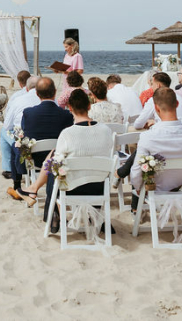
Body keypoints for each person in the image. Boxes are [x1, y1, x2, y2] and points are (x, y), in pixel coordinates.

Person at [20, 90, 114, 233]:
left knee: (53, 165)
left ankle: (54, 214)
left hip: (71, 188)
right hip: (99, 187)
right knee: (54, 160)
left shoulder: (68, 133)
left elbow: (57, 164)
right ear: (89, 106)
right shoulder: (106, 130)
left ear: (70, 108)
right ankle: (96, 215)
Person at [131, 87, 182, 198]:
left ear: (156, 108)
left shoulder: (147, 137)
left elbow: (135, 173)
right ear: (177, 104)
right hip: (181, 188)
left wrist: (139, 187)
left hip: (154, 192)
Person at [9, 77, 73, 199]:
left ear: (37, 94)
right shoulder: (66, 115)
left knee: (15, 145)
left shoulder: (28, 113)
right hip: (58, 159)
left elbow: (25, 133)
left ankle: (17, 185)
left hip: (35, 159)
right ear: (55, 91)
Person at [0, 76, 40, 179]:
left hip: (25, 141)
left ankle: (8, 169)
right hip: (48, 143)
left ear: (26, 89)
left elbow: (7, 125)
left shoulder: (18, 100)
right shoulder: (52, 101)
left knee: (3, 131)